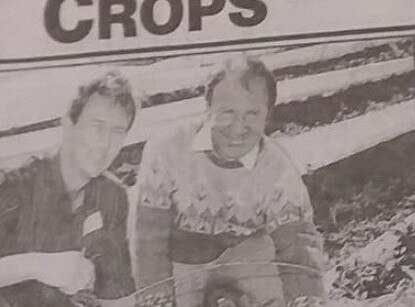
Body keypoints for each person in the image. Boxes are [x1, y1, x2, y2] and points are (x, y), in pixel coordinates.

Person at [0, 71, 138, 307]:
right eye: (96, 126)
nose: (106, 144)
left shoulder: (112, 196)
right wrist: (35, 265)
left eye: (118, 132)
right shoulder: (13, 185)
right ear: (69, 125)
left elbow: (117, 296)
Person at [131, 56, 326, 307]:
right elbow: (148, 236)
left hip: (243, 258)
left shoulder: (277, 167)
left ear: (267, 115)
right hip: (180, 260)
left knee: (283, 285)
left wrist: (307, 300)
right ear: (208, 107)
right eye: (227, 112)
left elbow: (298, 247)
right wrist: (156, 297)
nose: (238, 128)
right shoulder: (169, 146)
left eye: (252, 114)